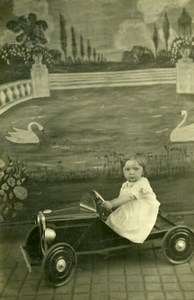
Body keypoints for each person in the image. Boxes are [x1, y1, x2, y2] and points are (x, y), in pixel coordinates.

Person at [103, 153, 160, 243]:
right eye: (127, 169)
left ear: (143, 171)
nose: (131, 172)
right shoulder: (125, 184)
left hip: (143, 210)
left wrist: (111, 204)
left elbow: (129, 197)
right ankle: (113, 237)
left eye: (136, 169)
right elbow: (121, 198)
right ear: (123, 170)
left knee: (129, 226)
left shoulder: (142, 183)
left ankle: (126, 238)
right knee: (112, 219)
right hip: (130, 208)